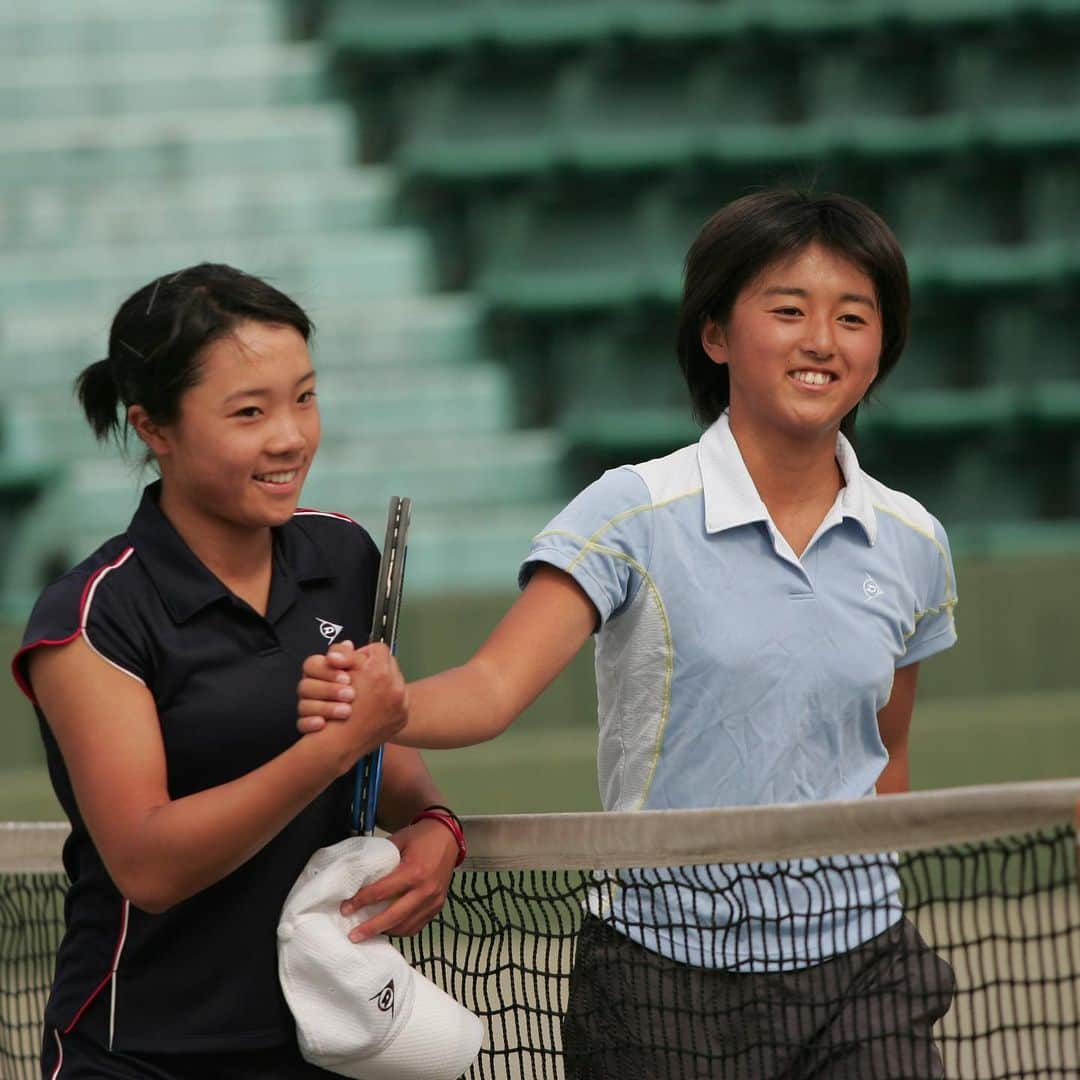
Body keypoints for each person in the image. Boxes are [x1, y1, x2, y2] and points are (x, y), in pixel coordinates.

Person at [297, 191, 959, 1077]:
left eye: (854, 316)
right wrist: (386, 706)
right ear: (716, 334)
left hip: (863, 966)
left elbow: (887, 749)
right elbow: (494, 687)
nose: (823, 341)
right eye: (789, 310)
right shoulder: (632, 514)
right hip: (665, 977)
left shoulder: (913, 539)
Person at [11, 264, 464, 1079]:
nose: (290, 436)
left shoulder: (342, 555)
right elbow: (149, 866)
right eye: (249, 413)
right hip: (145, 1052)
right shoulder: (92, 617)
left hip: (331, 1038)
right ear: (155, 428)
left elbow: (386, 763)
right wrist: (330, 748)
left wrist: (436, 825)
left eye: (305, 397)